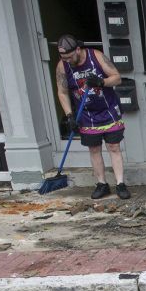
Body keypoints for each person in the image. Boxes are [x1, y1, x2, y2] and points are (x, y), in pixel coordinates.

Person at [55, 34, 130, 199]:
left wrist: (101, 82)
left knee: (114, 147)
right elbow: (62, 92)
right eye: (63, 57)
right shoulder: (62, 66)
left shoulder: (95, 56)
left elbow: (117, 78)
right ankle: (102, 184)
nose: (67, 60)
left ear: (78, 49)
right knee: (94, 149)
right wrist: (69, 115)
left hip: (108, 109)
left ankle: (120, 184)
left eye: (69, 56)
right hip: (86, 114)